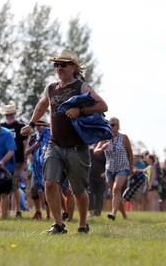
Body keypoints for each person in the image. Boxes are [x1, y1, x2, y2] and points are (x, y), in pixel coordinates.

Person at [21, 49, 108, 234]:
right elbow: (41, 105)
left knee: (77, 190)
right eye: (56, 65)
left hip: (77, 147)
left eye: (64, 64)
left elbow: (103, 105)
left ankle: (83, 224)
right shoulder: (51, 87)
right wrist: (30, 124)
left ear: (74, 67)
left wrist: (80, 111)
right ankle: (58, 224)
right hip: (54, 144)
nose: (59, 67)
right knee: (50, 183)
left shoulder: (82, 87)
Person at [94, 117, 133, 220]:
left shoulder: (124, 137)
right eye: (109, 125)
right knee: (115, 192)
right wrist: (102, 147)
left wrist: (131, 167)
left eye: (112, 125)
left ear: (118, 126)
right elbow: (95, 151)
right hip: (110, 169)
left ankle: (113, 213)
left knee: (116, 189)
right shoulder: (104, 138)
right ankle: (124, 215)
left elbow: (130, 153)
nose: (110, 127)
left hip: (123, 167)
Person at [0, 104, 28, 218]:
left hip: (18, 160)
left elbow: (25, 144)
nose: (9, 116)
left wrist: (25, 159)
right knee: (4, 185)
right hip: (4, 160)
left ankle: (18, 209)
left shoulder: (21, 127)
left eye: (11, 114)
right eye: (7, 114)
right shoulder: (1, 127)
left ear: (15, 114)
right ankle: (6, 210)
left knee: (15, 184)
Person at [24, 118, 50, 220]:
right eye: (37, 125)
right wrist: (35, 145)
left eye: (41, 125)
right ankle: (38, 211)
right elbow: (26, 152)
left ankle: (49, 214)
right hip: (36, 167)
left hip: (47, 166)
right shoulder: (34, 137)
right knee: (33, 189)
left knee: (47, 190)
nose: (39, 127)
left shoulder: (49, 135)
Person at [88, 143, 106, 217]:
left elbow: (107, 163)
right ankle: (91, 210)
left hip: (100, 177)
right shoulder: (90, 151)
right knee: (90, 193)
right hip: (90, 176)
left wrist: (105, 172)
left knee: (99, 195)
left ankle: (97, 212)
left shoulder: (103, 152)